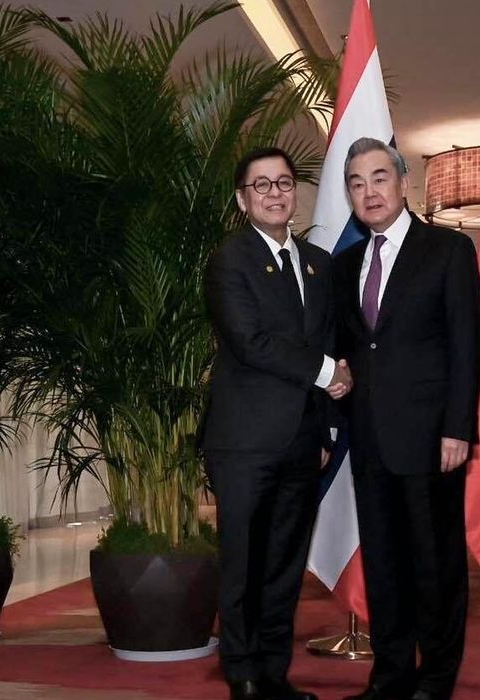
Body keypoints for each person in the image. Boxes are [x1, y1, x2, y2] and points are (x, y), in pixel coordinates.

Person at [335, 138, 480, 700]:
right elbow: (347, 351)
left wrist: (458, 428)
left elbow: (467, 345)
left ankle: (437, 677)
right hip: (369, 439)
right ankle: (391, 676)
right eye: (356, 183)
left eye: (379, 178)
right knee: (384, 565)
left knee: (434, 563)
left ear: (403, 183)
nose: (369, 191)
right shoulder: (345, 265)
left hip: (431, 439)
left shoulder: (448, 250)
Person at [201, 146, 352, 700]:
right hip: (244, 442)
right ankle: (241, 673)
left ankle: (272, 674)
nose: (274, 193)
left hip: (303, 442)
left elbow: (328, 339)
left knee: (285, 566)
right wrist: (327, 373)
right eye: (261, 185)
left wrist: (327, 427)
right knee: (243, 562)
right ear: (243, 200)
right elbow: (250, 342)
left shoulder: (318, 263)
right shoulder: (229, 261)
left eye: (283, 183)